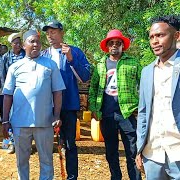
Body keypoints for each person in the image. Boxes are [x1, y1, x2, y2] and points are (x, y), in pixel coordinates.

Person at [2, 30, 65, 179]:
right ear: (24, 45)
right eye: (31, 41)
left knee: (46, 160)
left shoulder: (51, 65)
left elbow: (58, 92)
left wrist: (56, 115)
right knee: (21, 161)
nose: (35, 44)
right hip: (20, 123)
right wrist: (5, 120)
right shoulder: (15, 67)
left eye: (38, 41)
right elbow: (7, 95)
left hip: (44, 122)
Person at [89, 29, 142, 180]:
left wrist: (141, 107)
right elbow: (93, 88)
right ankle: (115, 177)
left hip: (127, 113)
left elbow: (144, 85)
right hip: (107, 115)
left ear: (122, 46)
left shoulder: (133, 63)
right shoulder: (100, 64)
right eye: (111, 43)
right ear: (107, 46)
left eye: (117, 43)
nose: (114, 45)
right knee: (111, 152)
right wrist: (93, 108)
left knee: (133, 151)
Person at [41, 20, 90, 180]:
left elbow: (85, 76)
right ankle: (49, 176)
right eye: (48, 33)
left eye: (53, 32)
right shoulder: (43, 55)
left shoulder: (74, 51)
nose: (50, 36)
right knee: (46, 145)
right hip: (47, 107)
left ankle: (71, 177)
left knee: (69, 145)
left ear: (62, 33)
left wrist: (71, 59)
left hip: (68, 106)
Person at [136, 16, 180, 179]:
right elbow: (143, 112)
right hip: (153, 155)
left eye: (160, 35)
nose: (154, 41)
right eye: (152, 37)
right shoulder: (147, 71)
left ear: (176, 36)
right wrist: (139, 148)